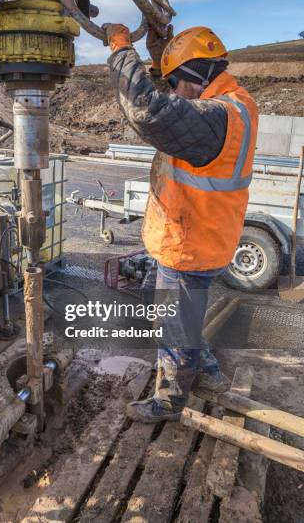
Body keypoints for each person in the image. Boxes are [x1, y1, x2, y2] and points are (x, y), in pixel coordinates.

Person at [103, 24, 258, 423]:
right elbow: (177, 100)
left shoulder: (217, 116)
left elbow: (148, 110)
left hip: (189, 246)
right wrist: (160, 51)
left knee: (172, 327)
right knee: (185, 317)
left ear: (198, 76)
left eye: (177, 81)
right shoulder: (234, 102)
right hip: (203, 238)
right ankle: (206, 371)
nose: (173, 90)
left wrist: (122, 48)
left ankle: (169, 401)